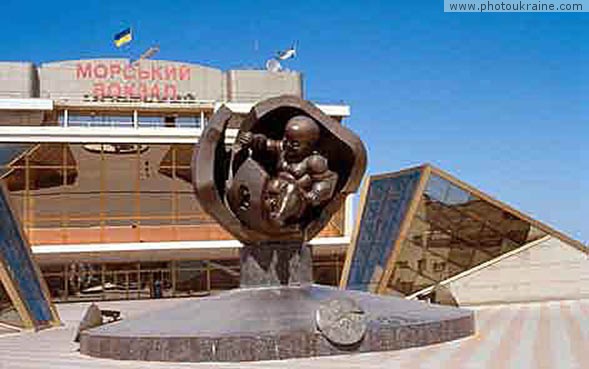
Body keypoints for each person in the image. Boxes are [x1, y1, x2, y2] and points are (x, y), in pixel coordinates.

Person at [239, 115, 338, 227]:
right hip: (275, 191)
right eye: (286, 139)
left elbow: (327, 180)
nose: (288, 145)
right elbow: (266, 143)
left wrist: (315, 194)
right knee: (267, 182)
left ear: (309, 145)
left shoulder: (314, 161)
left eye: (295, 144)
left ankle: (279, 217)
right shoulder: (283, 149)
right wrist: (253, 139)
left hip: (296, 200)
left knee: (290, 189)